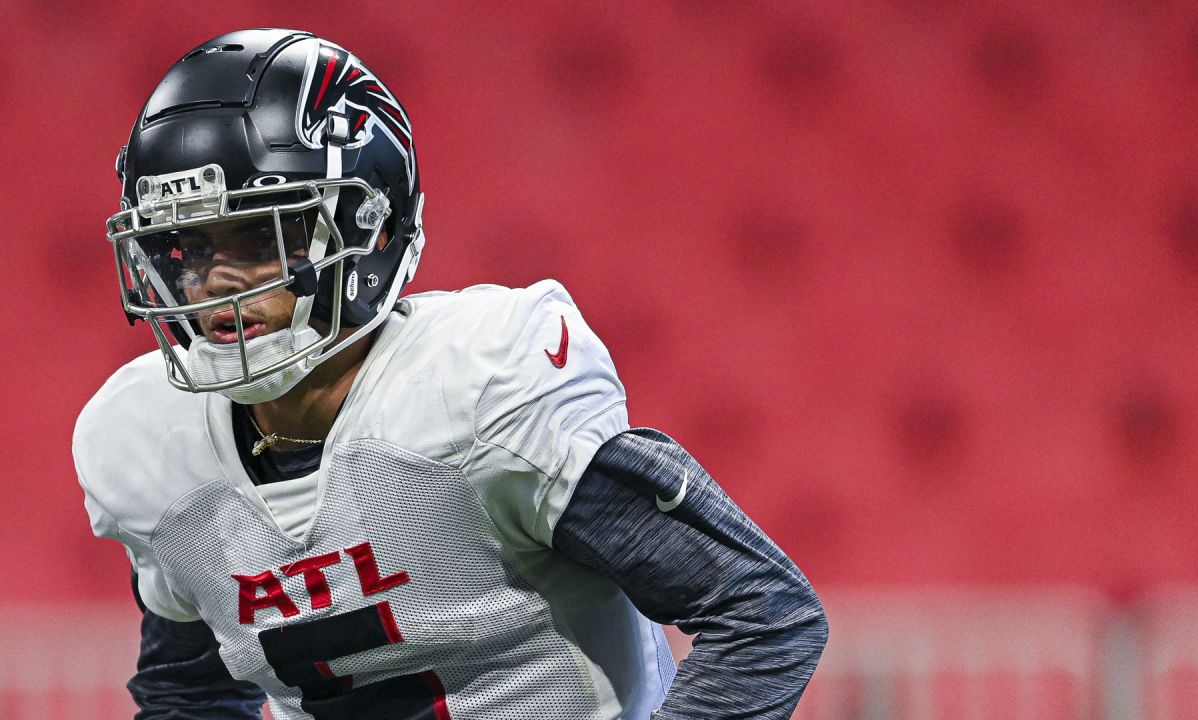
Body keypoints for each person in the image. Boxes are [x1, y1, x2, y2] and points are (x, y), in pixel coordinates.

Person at [74, 28, 827, 720]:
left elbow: (761, 612)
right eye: (190, 248)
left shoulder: (478, 388)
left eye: (258, 235)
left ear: (366, 223)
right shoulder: (152, 447)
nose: (215, 283)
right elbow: (188, 694)